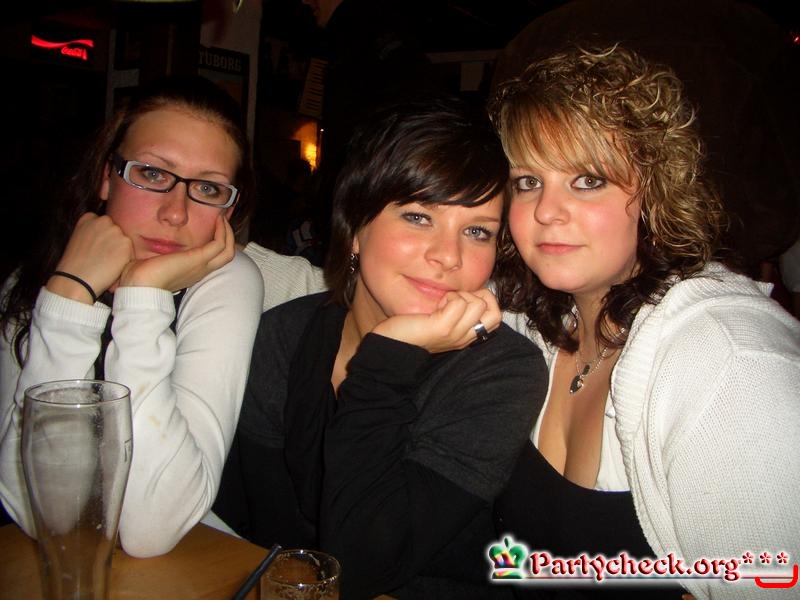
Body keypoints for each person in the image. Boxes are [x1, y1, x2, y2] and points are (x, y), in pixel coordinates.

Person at [487, 44, 800, 599]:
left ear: (655, 192)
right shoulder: (535, 321)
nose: (545, 211)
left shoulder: (730, 365)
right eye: (528, 180)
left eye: (588, 180)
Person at [213, 93, 548, 599]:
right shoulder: (284, 336)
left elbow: (362, 566)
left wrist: (385, 359)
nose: (448, 255)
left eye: (477, 231)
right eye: (418, 217)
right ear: (355, 227)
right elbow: (258, 533)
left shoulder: (502, 373)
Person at [0, 74, 264, 557]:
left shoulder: (227, 281)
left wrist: (143, 296)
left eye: (208, 187)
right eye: (153, 174)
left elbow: (150, 529)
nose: (176, 212)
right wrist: (68, 300)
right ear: (107, 177)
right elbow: (42, 515)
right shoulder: (30, 285)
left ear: (228, 210)